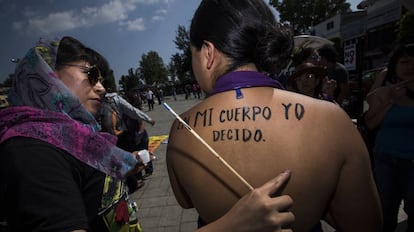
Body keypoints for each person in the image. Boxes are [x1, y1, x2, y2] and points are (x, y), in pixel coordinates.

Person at [0, 36, 295, 232]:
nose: (101, 87)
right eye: (91, 75)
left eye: (102, 79)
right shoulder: (31, 150)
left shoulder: (70, 135)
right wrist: (233, 224)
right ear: (46, 73)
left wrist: (131, 160)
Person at [166, 0, 382, 232]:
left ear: (208, 52)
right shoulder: (332, 120)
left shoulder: (181, 132)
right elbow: (366, 225)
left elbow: (185, 201)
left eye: (192, 54)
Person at [364, 41, 414, 232]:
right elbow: (370, 122)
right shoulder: (386, 89)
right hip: (385, 158)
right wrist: (391, 100)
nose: (410, 67)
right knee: (385, 211)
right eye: (404, 62)